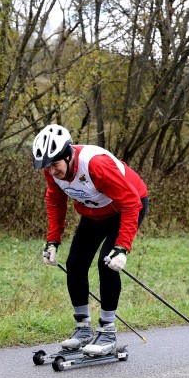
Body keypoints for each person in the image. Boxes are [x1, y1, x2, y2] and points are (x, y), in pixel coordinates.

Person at [33, 124, 149, 355]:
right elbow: (55, 201)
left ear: (68, 155)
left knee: (107, 264)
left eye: (55, 165)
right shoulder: (52, 171)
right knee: (75, 264)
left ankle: (107, 332)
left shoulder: (96, 165)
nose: (52, 172)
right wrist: (52, 240)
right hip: (93, 212)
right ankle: (83, 329)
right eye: (47, 167)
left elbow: (131, 203)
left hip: (126, 207)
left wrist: (122, 248)